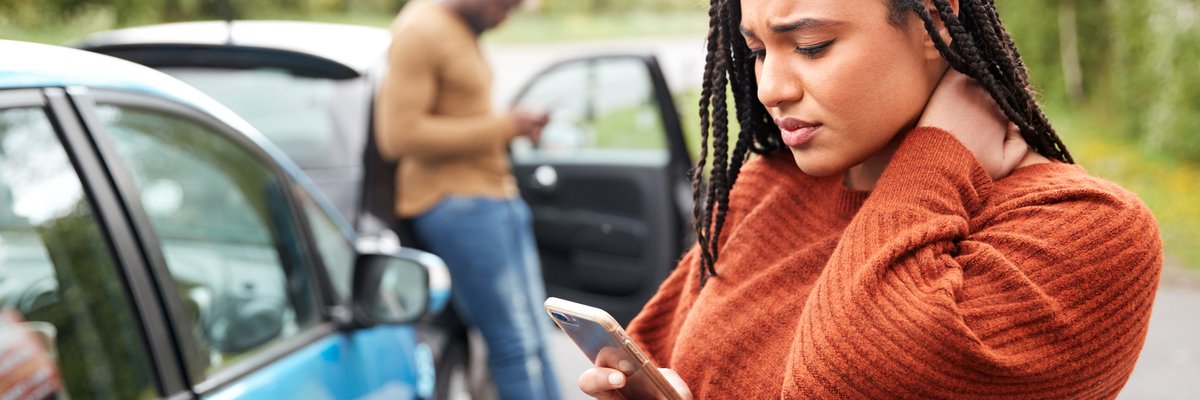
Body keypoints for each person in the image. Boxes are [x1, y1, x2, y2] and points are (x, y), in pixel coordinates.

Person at [579, 0, 1162, 398]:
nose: (770, 89)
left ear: (933, 20)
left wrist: (938, 157)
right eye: (756, 51)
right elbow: (659, 352)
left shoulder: (1089, 230)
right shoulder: (769, 186)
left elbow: (849, 380)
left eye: (811, 46)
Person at [374, 0, 560, 399]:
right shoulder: (419, 30)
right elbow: (398, 135)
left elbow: (462, 115)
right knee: (513, 345)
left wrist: (509, 125)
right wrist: (506, 126)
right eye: (505, 5)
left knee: (537, 336)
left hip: (496, 197)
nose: (506, 16)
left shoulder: (460, 27)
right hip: (458, 203)